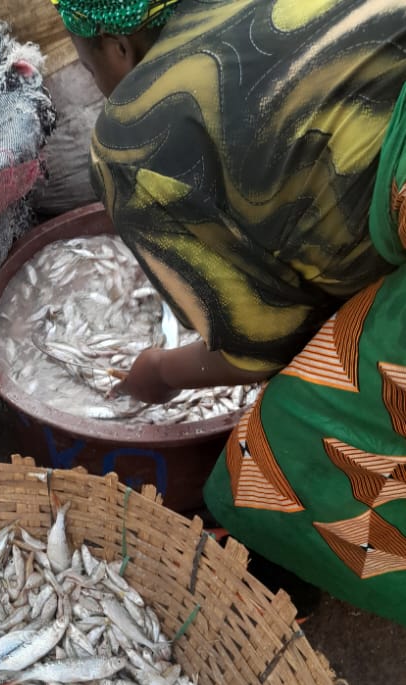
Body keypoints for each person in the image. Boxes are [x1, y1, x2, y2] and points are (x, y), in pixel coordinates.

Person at [48, 0, 406, 625]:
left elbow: (263, 349)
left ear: (118, 48)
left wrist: (158, 371)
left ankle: (285, 571)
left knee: (302, 430)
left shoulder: (136, 132)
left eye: (85, 63)